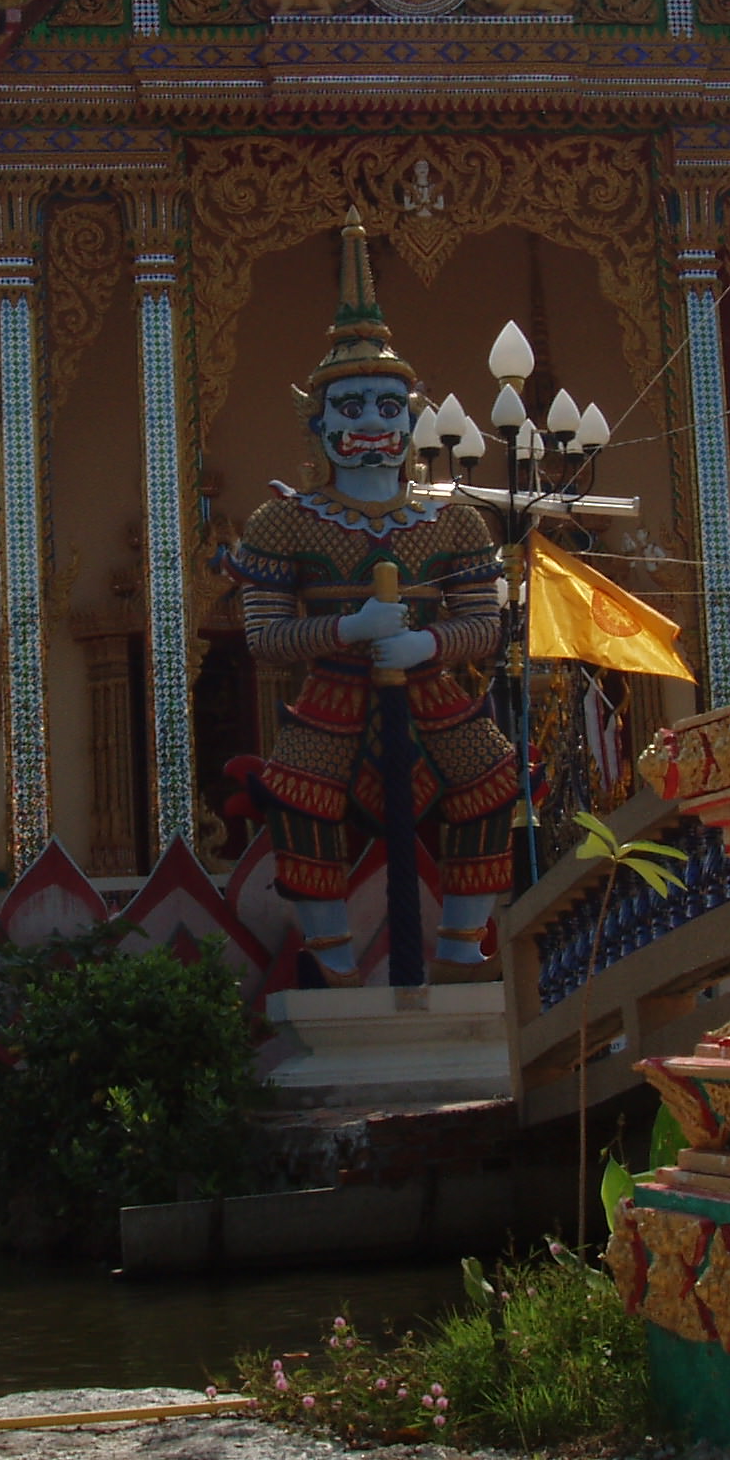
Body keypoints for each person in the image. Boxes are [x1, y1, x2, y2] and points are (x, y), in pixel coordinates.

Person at [223, 209, 515, 985]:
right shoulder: (285, 520)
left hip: (430, 685)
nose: (371, 425)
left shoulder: (451, 517)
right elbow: (264, 636)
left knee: (489, 785)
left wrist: (429, 643)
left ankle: (460, 951)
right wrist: (346, 627)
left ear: (411, 419)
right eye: (349, 409)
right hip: (335, 691)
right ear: (316, 424)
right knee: (301, 804)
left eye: (389, 408)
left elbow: (484, 622)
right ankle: (335, 965)